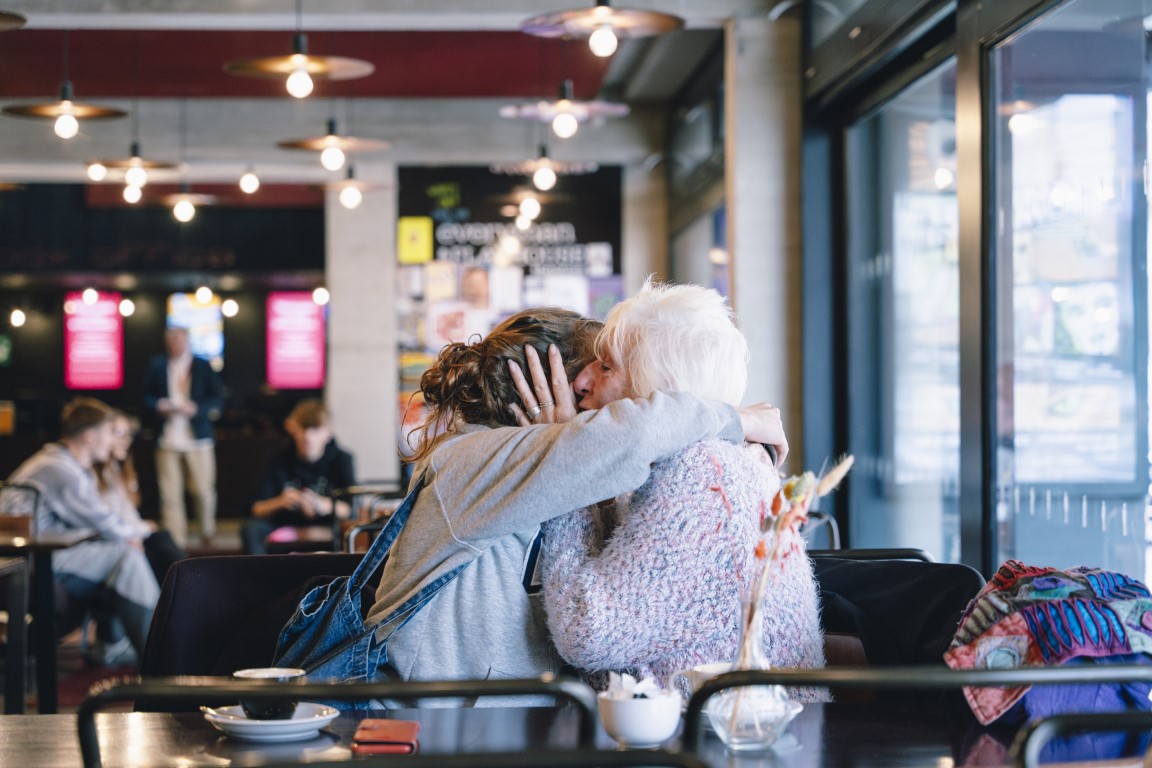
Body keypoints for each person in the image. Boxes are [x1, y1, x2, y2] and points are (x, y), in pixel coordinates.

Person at [361, 306, 787, 703]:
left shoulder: (558, 465)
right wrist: (737, 418)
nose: (596, 387)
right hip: (439, 722)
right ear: (555, 384)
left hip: (517, 719)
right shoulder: (471, 458)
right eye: (594, 369)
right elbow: (635, 433)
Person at [536, 281, 826, 699]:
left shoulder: (703, 478)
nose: (581, 381)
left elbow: (586, 631)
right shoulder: (712, 460)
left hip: (734, 742)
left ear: (661, 391)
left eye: (606, 367)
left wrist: (566, 464)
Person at [5, 398, 160, 659]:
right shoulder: (59, 469)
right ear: (89, 437)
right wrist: (138, 533)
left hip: (39, 552)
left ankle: (128, 645)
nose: (113, 442)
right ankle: (160, 655)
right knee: (127, 556)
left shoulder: (63, 462)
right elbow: (106, 523)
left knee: (123, 550)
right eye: (110, 434)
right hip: (27, 559)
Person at [142, 326, 224, 548]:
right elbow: (145, 396)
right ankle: (175, 543)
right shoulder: (157, 365)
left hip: (198, 438)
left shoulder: (202, 365)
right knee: (170, 495)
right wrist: (159, 404)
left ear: (187, 341)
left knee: (203, 490)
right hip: (168, 438)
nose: (175, 344)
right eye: (171, 340)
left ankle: (207, 534)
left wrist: (197, 408)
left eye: (179, 340)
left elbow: (217, 398)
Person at [241, 399, 356, 555]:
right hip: (284, 522)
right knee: (251, 528)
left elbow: (349, 509)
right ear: (292, 429)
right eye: (303, 429)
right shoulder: (279, 457)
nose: (308, 436)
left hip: (327, 523)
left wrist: (320, 504)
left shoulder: (341, 459)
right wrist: (281, 502)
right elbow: (256, 509)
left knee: (352, 530)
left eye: (314, 429)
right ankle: (260, 577)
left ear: (327, 433)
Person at [94, 410, 187, 586]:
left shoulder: (117, 470)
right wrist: (139, 530)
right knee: (159, 544)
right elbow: (107, 520)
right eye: (118, 434)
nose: (126, 440)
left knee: (161, 540)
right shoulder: (94, 474)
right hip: (111, 540)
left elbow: (127, 513)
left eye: (128, 434)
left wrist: (140, 528)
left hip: (127, 533)